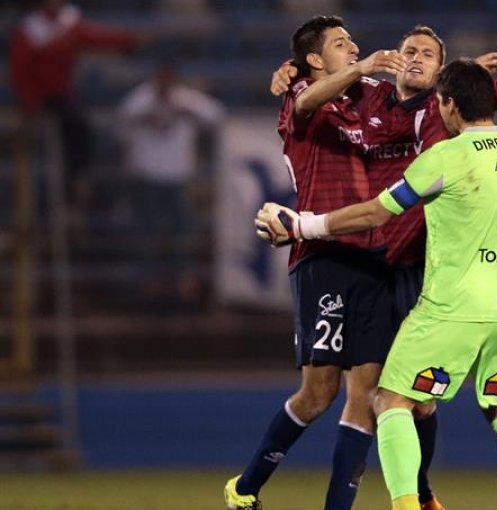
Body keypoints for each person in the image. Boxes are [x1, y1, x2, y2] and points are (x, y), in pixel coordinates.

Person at [268, 25, 497, 509]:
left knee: (389, 401)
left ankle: (412, 501)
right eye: (409, 51)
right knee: (495, 407)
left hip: (434, 287)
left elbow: (376, 211)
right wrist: (294, 71)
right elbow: (318, 91)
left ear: (446, 100)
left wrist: (302, 226)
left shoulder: (442, 151)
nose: (416, 58)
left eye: (429, 54)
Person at [223, 16, 407, 510]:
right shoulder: (301, 96)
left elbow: (423, 90)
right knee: (318, 394)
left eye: (354, 41)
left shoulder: (367, 99)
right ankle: (244, 488)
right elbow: (305, 100)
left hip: (374, 257)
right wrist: (359, 67)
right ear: (313, 60)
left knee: (366, 393)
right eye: (341, 44)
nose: (354, 47)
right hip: (321, 256)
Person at [8, 0, 140, 205]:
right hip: (41, 97)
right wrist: (31, 103)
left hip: (63, 94)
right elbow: (20, 72)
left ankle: (76, 181)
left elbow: (96, 37)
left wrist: (126, 40)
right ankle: (55, 194)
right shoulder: (30, 30)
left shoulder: (68, 22)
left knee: (80, 132)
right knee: (65, 135)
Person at [117, 62, 224, 303]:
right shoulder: (141, 98)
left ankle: (184, 279)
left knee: (181, 231)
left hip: (178, 176)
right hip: (147, 176)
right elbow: (121, 125)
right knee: (148, 232)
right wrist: (148, 114)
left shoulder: (186, 98)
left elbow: (217, 116)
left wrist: (186, 109)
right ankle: (149, 280)